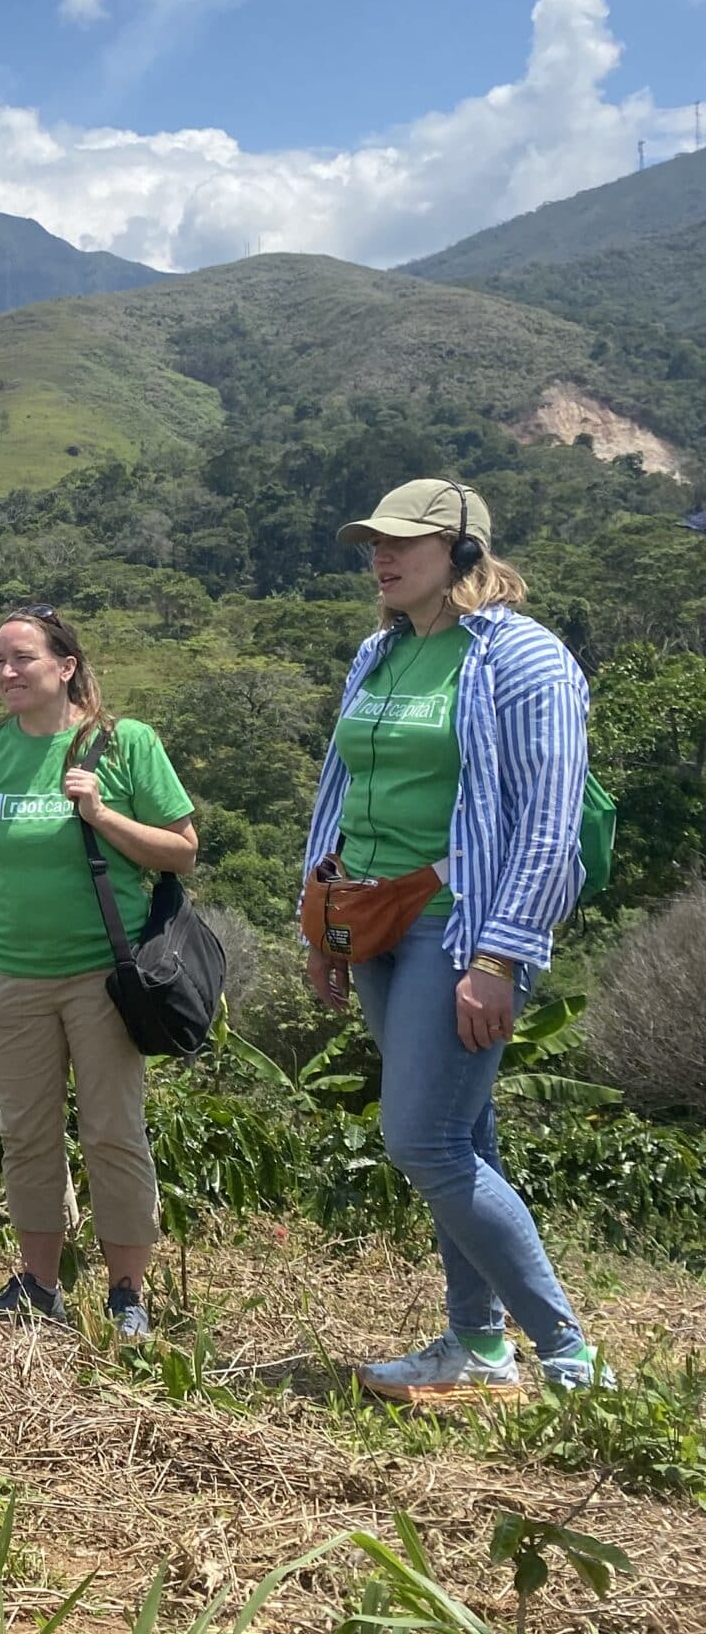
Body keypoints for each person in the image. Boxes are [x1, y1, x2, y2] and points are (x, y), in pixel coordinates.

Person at [305, 480, 606, 1400]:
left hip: (460, 920)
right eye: (374, 547)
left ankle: (567, 1353)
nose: (383, 560)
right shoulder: (379, 651)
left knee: (424, 1141)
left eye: (405, 544)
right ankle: (476, 1344)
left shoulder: (523, 660)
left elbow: (549, 826)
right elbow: (338, 788)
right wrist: (319, 916)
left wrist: (498, 956)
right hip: (376, 917)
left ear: (464, 552)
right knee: (461, 1133)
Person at [0, 606, 196, 1340]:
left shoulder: (122, 743)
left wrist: (101, 813)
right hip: (10, 976)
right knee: (26, 1134)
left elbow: (181, 850)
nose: (7, 672)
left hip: (101, 978)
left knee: (113, 1132)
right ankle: (38, 1285)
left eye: (22, 658)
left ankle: (126, 1296)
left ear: (66, 666)